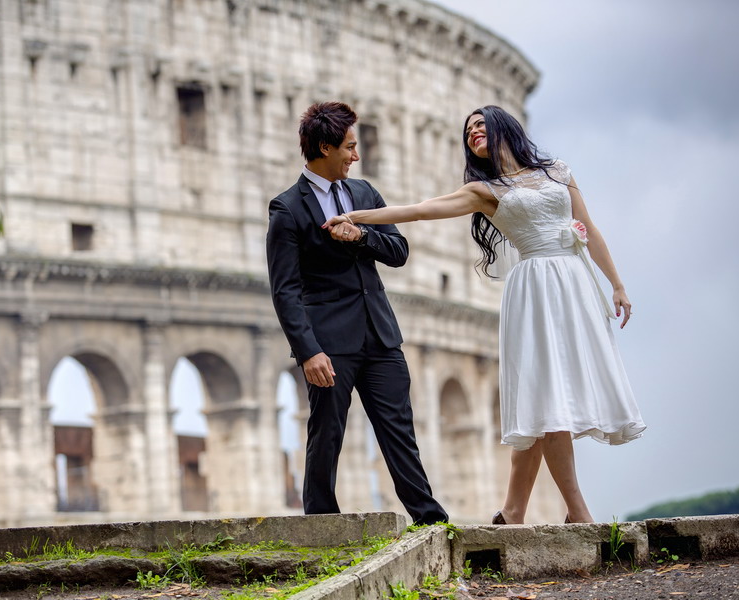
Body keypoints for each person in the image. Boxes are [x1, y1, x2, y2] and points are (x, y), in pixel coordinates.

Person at [325, 105, 645, 524]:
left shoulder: (557, 171)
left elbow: (588, 227)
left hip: (572, 285)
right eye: (468, 131)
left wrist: (616, 285)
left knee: (544, 400)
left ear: (504, 129)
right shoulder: (484, 191)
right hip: (534, 289)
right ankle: (579, 512)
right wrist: (357, 216)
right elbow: (421, 209)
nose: (474, 133)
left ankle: (512, 512)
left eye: (481, 125)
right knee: (550, 401)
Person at [266, 101, 448, 526]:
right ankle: (321, 523)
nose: (356, 155)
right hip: (330, 343)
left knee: (399, 431)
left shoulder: (364, 194)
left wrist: (362, 235)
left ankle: (431, 521)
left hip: (381, 335)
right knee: (327, 433)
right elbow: (285, 290)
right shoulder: (288, 208)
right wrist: (308, 352)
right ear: (325, 147)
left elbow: (399, 251)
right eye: (349, 146)